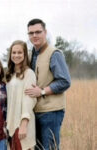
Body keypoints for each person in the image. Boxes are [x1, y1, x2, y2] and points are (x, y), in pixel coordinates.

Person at [25, 19, 71, 150]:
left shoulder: (54, 53)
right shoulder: (30, 54)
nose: (34, 35)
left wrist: (43, 91)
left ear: (45, 32)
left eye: (38, 32)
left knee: (50, 148)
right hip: (35, 111)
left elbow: (65, 81)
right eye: (31, 33)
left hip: (51, 112)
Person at [6, 40, 37, 150]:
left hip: (22, 124)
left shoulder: (29, 74)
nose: (16, 55)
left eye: (20, 52)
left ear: (25, 54)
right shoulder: (10, 74)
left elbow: (29, 100)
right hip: (10, 124)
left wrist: (24, 124)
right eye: (14, 53)